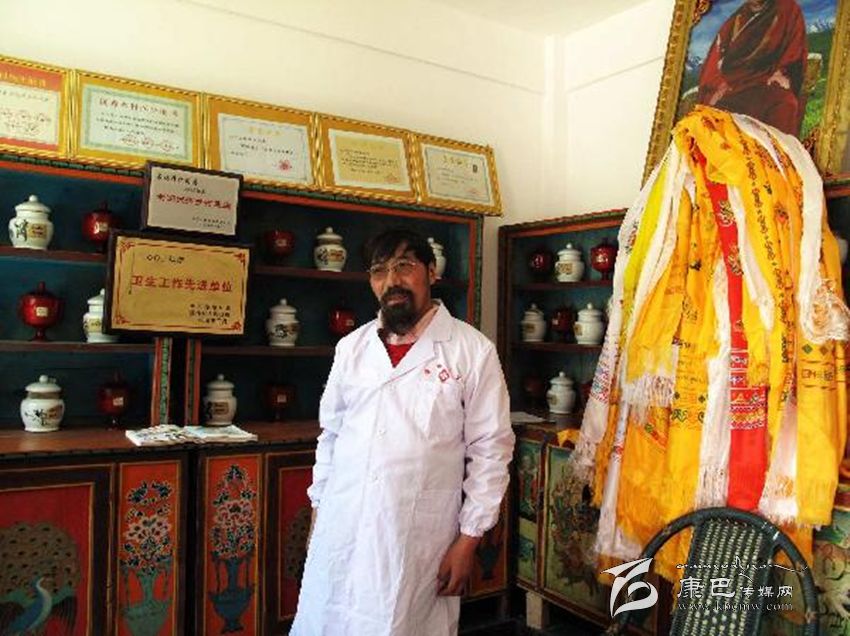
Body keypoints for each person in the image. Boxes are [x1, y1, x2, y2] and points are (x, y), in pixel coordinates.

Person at [290, 228, 514, 636]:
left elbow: (491, 451)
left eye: (404, 266)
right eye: (379, 271)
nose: (392, 280)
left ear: (432, 272)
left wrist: (468, 540)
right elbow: (331, 436)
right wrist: (319, 515)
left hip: (417, 538)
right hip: (342, 526)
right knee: (328, 621)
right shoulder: (352, 348)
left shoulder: (471, 351)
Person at [696, 0, 808, 136]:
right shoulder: (737, 19)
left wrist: (781, 71)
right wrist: (718, 84)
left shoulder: (787, 9)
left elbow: (794, 48)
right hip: (734, 86)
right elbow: (714, 62)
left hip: (767, 82)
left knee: (785, 103)